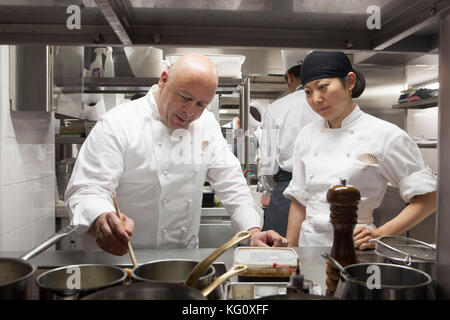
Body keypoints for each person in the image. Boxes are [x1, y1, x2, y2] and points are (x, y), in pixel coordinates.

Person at [65, 53, 287, 255]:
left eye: (201, 104)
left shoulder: (206, 125)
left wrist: (253, 232)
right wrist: (102, 218)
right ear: (163, 80)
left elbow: (233, 186)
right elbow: (87, 190)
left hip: (181, 263)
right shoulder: (119, 123)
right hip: (121, 261)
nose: (190, 112)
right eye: (184, 97)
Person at [284, 51, 437, 249]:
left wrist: (380, 234)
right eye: (308, 91)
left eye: (322, 87)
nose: (316, 99)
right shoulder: (307, 135)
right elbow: (299, 201)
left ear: (349, 82)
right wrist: (289, 254)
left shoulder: (385, 134)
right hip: (308, 248)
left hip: (357, 250)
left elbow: (429, 198)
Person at [259, 64, 321, 237]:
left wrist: (275, 187)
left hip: (287, 190)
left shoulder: (277, 107)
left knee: (280, 254)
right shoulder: (328, 104)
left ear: (289, 76)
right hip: (325, 191)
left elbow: (268, 163)